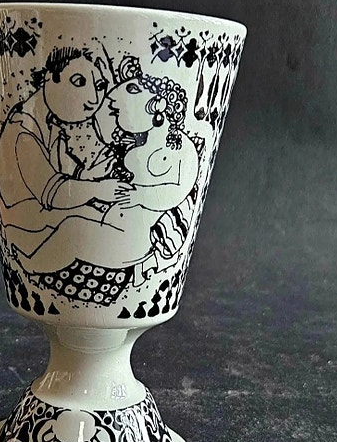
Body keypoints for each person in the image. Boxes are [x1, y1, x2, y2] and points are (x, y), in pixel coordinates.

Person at [12, 55, 200, 284]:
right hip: (113, 220)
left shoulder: (179, 149)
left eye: (132, 90)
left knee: (73, 230)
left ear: (157, 105)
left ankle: (30, 266)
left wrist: (141, 195)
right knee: (69, 217)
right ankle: (22, 241)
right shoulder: (136, 144)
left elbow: (180, 188)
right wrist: (96, 184)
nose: (107, 100)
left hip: (132, 239)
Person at [0, 46, 133, 258]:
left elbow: (68, 175)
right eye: (78, 82)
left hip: (46, 218)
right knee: (97, 221)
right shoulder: (22, 131)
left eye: (99, 86)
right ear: (49, 78)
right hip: (26, 225)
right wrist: (98, 189)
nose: (94, 99)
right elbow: (54, 193)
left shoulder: (52, 126)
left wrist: (91, 174)